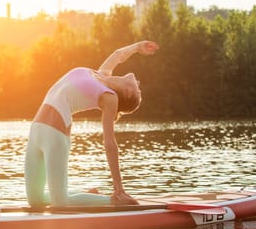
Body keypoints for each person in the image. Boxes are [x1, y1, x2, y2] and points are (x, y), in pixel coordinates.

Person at [24, 40, 159, 208]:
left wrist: (119, 188)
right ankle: (87, 195)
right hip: (36, 129)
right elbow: (118, 55)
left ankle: (113, 201)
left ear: (128, 92)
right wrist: (137, 47)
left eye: (138, 90)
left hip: (55, 134)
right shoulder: (102, 73)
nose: (138, 84)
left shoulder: (110, 97)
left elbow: (110, 143)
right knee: (35, 200)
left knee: (61, 204)